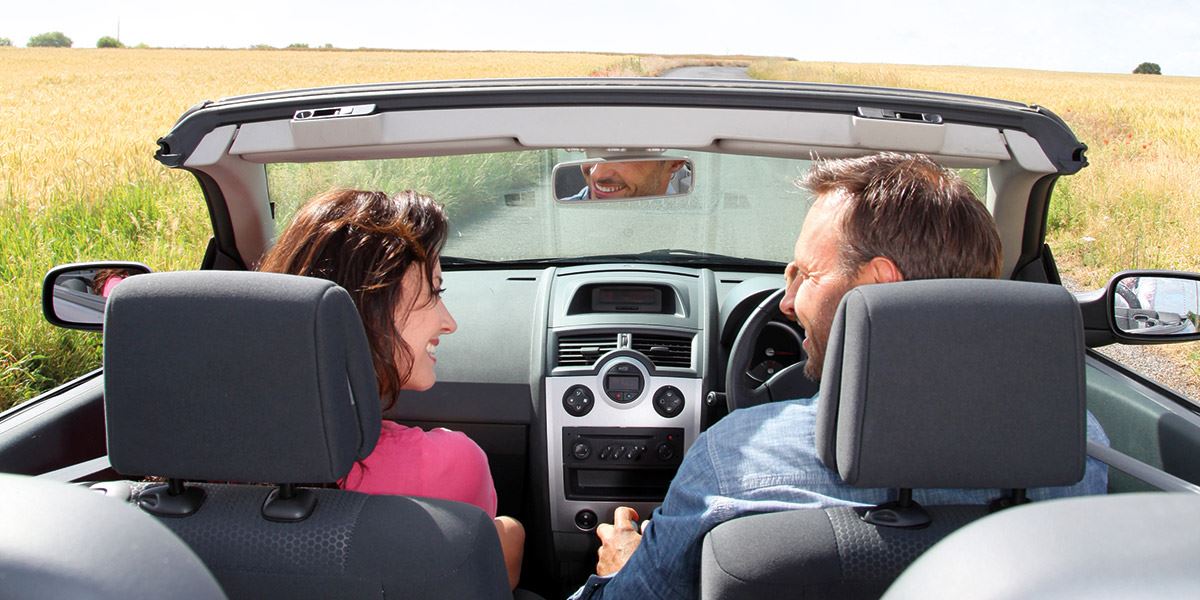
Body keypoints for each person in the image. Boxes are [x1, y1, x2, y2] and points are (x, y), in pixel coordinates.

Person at [570, 153, 1111, 599]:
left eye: (805, 274)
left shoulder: (736, 462)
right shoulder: (1076, 448)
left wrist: (619, 570)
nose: (786, 301)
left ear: (877, 285)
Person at [258, 189, 525, 589]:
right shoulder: (449, 464)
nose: (449, 322)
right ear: (371, 304)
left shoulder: (189, 468)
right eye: (434, 291)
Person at [567, 159, 689, 200]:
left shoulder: (697, 224)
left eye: (622, 155)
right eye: (591, 150)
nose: (597, 175)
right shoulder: (562, 219)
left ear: (675, 162)